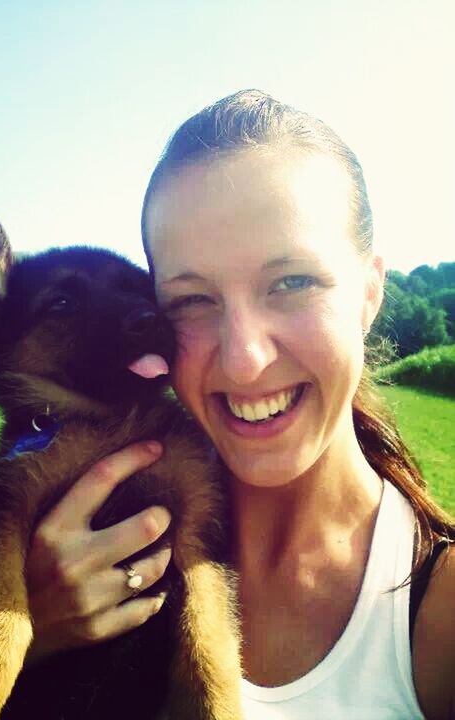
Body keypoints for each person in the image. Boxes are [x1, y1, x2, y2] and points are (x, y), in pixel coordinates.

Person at [24, 91, 455, 718]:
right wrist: (34, 640)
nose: (245, 359)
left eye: (292, 282)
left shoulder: (438, 613)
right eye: (192, 300)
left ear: (369, 292)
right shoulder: (81, 556)